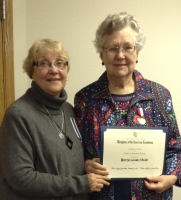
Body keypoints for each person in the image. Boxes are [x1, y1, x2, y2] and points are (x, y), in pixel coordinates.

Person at [74, 12, 181, 200]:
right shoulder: (85, 99)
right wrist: (86, 164)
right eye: (113, 48)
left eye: (127, 47)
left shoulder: (159, 95)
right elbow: (75, 152)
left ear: (137, 52)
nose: (120, 55)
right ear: (101, 53)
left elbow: (175, 147)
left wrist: (171, 177)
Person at [0, 39, 110, 200]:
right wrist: (82, 184)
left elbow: (66, 160)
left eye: (60, 63)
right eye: (44, 64)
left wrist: (86, 165)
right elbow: (21, 178)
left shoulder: (69, 110)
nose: (54, 70)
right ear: (32, 71)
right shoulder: (18, 115)